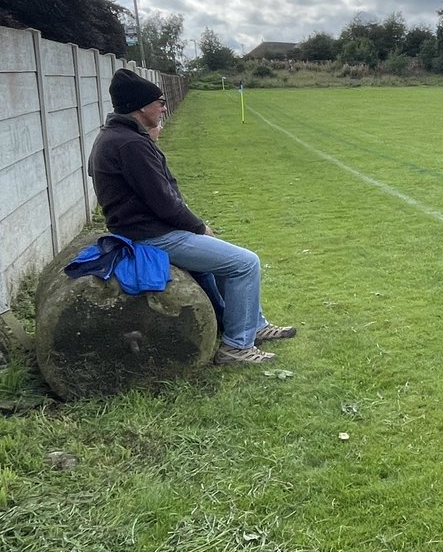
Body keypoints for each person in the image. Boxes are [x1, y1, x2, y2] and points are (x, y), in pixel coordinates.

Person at [88, 69, 297, 365]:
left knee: (227, 261)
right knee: (245, 263)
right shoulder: (130, 144)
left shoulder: (116, 137)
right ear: (140, 107)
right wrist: (198, 227)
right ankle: (236, 347)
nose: (163, 107)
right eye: (158, 102)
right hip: (152, 235)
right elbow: (162, 201)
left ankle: (254, 326)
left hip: (147, 229)